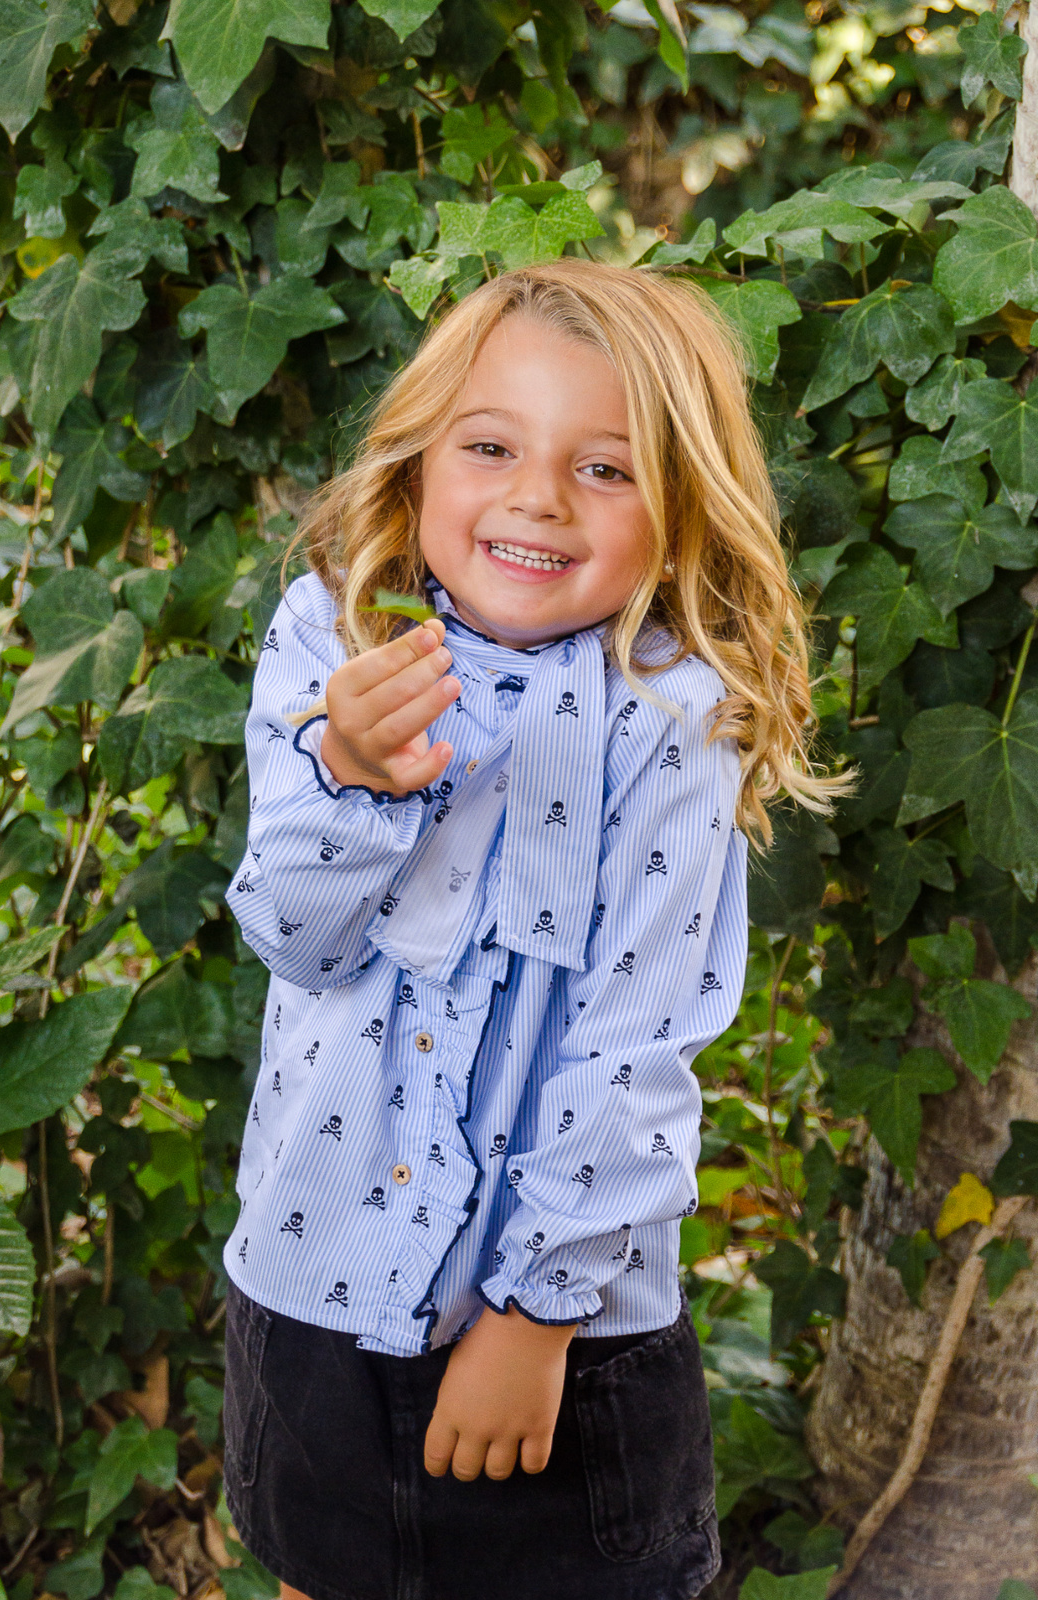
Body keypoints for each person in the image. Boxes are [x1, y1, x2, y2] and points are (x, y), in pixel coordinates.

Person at [220, 259, 836, 1600]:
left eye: (606, 469)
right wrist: (356, 782)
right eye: (491, 445)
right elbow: (292, 934)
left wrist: (532, 1318)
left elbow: (638, 1044)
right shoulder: (336, 633)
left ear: (681, 510)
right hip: (316, 1281)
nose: (538, 497)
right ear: (419, 458)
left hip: (571, 1343)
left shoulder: (673, 713)